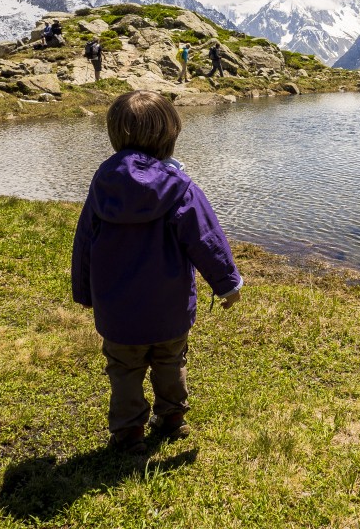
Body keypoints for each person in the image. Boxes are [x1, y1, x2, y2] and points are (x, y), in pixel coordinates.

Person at [71, 90, 243, 455]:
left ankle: (129, 433)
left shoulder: (103, 186)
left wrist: (85, 292)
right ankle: (172, 419)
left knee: (123, 369)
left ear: (115, 134)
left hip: (117, 310)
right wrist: (227, 285)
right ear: (169, 135)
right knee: (170, 361)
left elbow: (85, 240)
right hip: (170, 307)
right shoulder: (180, 187)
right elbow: (207, 239)